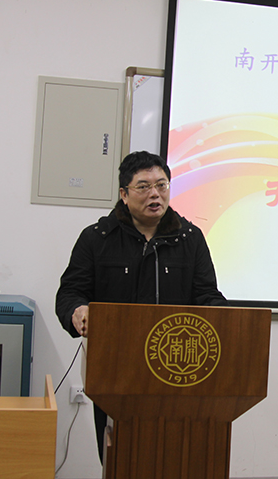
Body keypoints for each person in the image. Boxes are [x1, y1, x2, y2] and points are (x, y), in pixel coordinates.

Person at [55, 150, 226, 462]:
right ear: (124, 194)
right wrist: (77, 311)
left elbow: (207, 296)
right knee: (120, 458)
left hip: (178, 369)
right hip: (114, 369)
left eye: (161, 185)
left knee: (173, 457)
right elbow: (70, 293)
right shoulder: (97, 238)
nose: (155, 194)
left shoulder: (190, 239)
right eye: (144, 186)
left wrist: (227, 321)